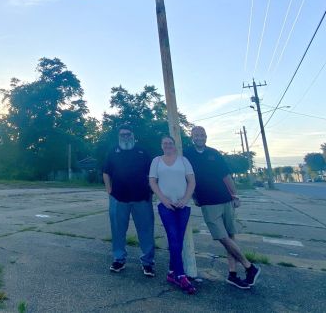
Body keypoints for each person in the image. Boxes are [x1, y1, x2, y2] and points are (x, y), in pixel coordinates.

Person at [184, 126, 261, 289]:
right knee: (221, 236)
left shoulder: (214, 153)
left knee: (230, 236)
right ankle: (249, 267)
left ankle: (233, 274)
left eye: (202, 134)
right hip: (208, 202)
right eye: (196, 134)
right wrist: (194, 196)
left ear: (206, 136)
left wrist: (235, 195)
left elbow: (226, 176)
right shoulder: (187, 154)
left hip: (225, 199)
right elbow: (187, 178)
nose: (199, 137)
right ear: (192, 136)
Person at [102, 124, 155, 277]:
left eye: (128, 134)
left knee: (146, 231)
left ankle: (148, 262)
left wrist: (152, 190)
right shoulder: (113, 151)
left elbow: (153, 173)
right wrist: (109, 191)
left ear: (133, 135)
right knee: (118, 231)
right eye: (123, 134)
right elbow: (106, 172)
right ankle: (119, 259)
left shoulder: (142, 151)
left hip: (142, 198)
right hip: (118, 198)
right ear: (119, 136)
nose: (126, 137)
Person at [149, 136, 197, 294]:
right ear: (161, 145)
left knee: (178, 240)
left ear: (174, 145)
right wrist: (163, 200)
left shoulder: (183, 161)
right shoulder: (156, 161)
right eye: (165, 143)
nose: (168, 145)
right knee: (173, 238)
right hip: (165, 206)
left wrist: (185, 199)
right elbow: (152, 182)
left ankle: (171, 273)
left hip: (183, 206)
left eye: (170, 143)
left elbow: (192, 181)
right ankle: (181, 276)